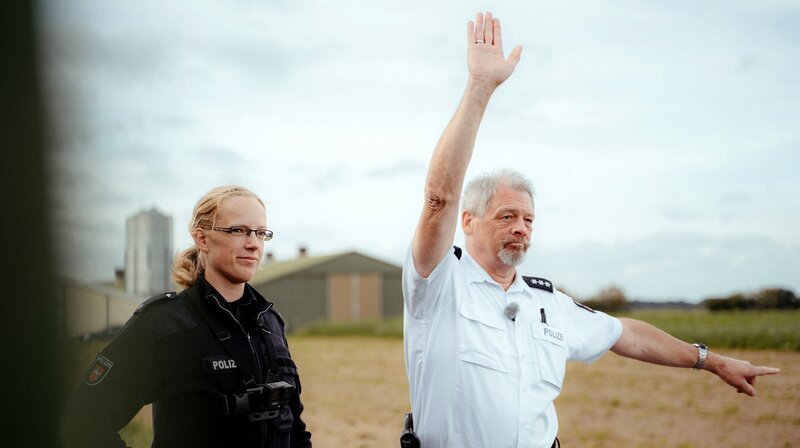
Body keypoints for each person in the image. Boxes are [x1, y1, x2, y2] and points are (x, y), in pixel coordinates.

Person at [402, 12, 781, 448]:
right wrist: (480, 88)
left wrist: (711, 361)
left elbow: (628, 335)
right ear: (468, 221)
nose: (521, 228)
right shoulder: (437, 284)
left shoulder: (545, 302)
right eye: (506, 216)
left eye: (528, 219)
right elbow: (439, 198)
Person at [62, 186, 312, 448]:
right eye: (238, 230)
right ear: (202, 239)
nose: (252, 243)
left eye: (260, 233)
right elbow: (84, 419)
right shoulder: (164, 324)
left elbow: (294, 427)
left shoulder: (270, 322)